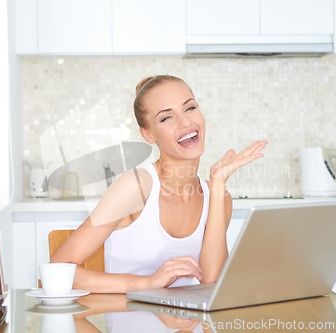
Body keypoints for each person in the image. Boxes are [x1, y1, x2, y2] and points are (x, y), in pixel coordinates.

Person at [51, 75, 268, 293]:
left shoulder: (218, 197)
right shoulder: (136, 187)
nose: (186, 122)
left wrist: (218, 183)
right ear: (148, 135)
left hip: (186, 325)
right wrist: (147, 283)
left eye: (190, 108)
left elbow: (211, 280)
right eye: (166, 118)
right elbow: (59, 271)